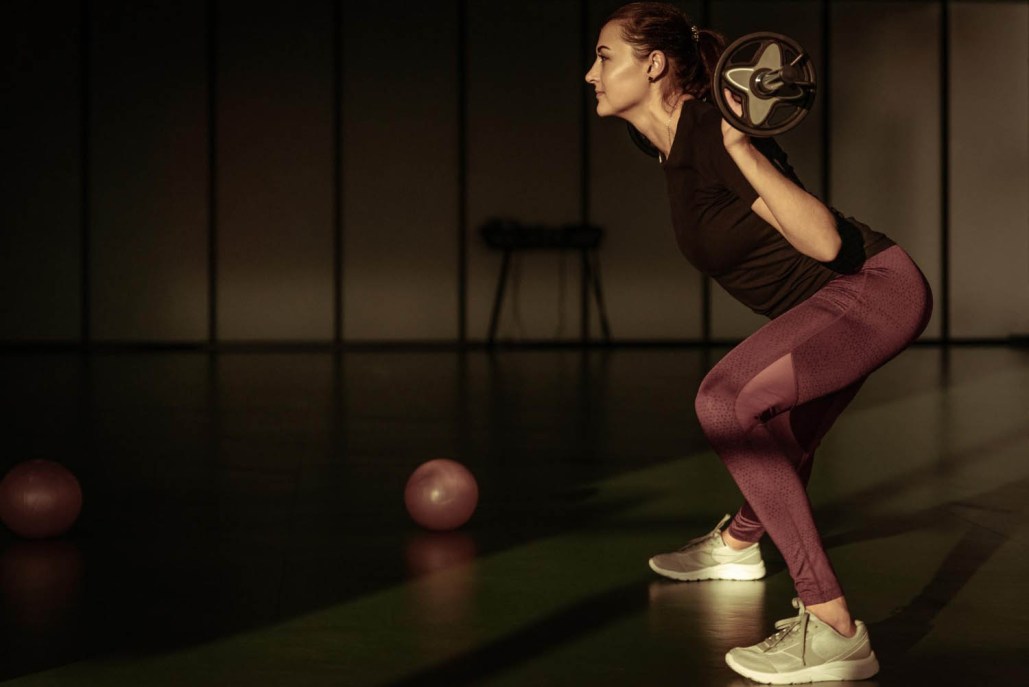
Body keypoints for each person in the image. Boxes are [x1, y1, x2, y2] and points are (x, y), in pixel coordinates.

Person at [585, 3, 932, 684]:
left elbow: (824, 242)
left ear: (653, 65)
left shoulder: (712, 132)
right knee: (782, 438)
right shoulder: (663, 140)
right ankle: (739, 544)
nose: (589, 74)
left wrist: (743, 147)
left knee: (726, 401)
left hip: (870, 290)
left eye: (603, 56)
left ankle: (833, 629)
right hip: (830, 308)